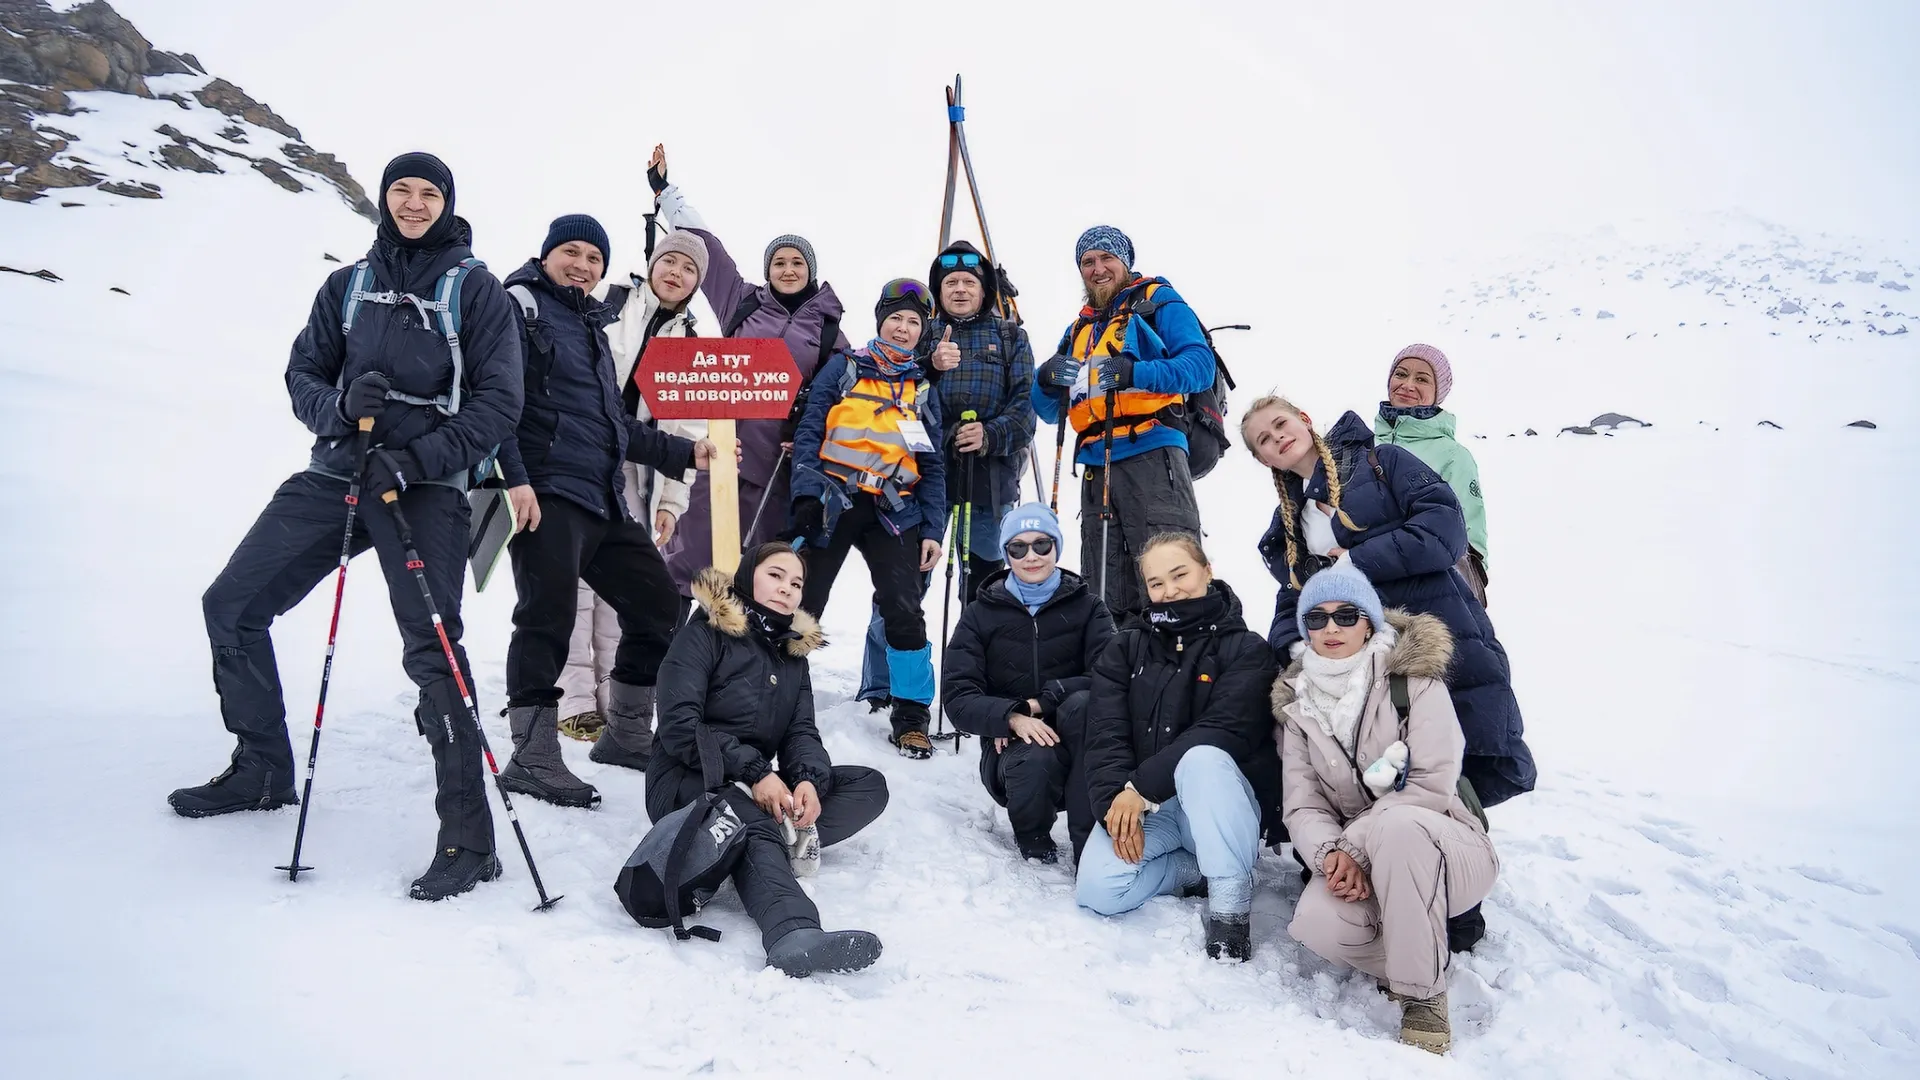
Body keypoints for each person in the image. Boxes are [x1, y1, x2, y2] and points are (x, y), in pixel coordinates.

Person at [172, 152, 523, 902]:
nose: (415, 202)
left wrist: (420, 458)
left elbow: (499, 403)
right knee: (231, 604)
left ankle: (469, 839)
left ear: (448, 202)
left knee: (435, 653)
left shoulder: (478, 290)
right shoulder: (348, 285)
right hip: (339, 470)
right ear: (384, 198)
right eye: (403, 189)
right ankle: (263, 766)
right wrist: (338, 408)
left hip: (424, 486)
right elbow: (303, 373)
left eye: (430, 192)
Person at [1243, 395, 1534, 954]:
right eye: (1262, 439)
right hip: (1354, 665)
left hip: (1433, 639)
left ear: (1305, 420)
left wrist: (1356, 562)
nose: (1276, 438)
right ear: (1264, 460)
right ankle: (1365, 868)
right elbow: (1293, 603)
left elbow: (1444, 531)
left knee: (1448, 766)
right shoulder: (1290, 524)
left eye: (1280, 424)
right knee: (1365, 769)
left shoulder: (1384, 464)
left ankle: (1454, 896)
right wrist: (1296, 650)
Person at [494, 214, 722, 808]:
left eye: (593, 258)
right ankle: (532, 755)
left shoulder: (588, 325)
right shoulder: (519, 307)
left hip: (604, 494)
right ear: (546, 254)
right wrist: (514, 480)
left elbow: (613, 426)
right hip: (546, 487)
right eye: (570, 252)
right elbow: (494, 399)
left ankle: (624, 733)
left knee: (655, 605)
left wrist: (683, 453)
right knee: (546, 615)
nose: (583, 265)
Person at [1274, 559, 1498, 1054]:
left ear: (1370, 622)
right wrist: (1330, 854)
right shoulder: (1298, 706)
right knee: (1313, 923)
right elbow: (1302, 804)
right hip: (1362, 864)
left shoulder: (1413, 681)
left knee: (1397, 823)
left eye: (1346, 615)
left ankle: (1423, 996)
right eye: (1317, 618)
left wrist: (1353, 845)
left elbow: (1433, 783)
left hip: (1445, 848)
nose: (1331, 628)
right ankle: (1417, 948)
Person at [647, 546, 890, 976]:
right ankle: (792, 934)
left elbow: (801, 732)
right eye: (776, 575)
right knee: (750, 822)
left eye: (796, 583)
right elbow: (679, 725)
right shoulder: (704, 632)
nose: (786, 589)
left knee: (867, 785)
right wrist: (758, 774)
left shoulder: (792, 654)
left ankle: (755, 847)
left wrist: (808, 782)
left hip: (751, 783)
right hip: (686, 779)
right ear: (747, 576)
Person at [647, 145, 851, 594]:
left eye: (797, 262)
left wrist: (810, 440)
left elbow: (841, 398)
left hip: (779, 467)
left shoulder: (830, 331)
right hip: (722, 454)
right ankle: (666, 656)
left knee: (759, 574)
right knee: (687, 563)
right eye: (779, 262)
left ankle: (749, 662)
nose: (788, 269)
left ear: (811, 271)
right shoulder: (743, 303)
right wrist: (666, 192)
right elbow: (708, 247)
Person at [1075, 533, 1280, 962]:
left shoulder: (1247, 648)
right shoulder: (1125, 648)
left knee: (1202, 759)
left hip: (1220, 804)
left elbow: (1226, 729)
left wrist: (1140, 788)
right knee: (1099, 889)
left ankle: (1229, 902)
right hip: (1154, 808)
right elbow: (1106, 735)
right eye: (1155, 583)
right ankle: (1196, 871)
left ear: (1207, 571)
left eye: (1180, 574)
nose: (1169, 590)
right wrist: (1116, 804)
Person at [856, 240, 1037, 710]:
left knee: (984, 590)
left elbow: (1026, 411)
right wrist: (931, 369)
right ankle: (879, 688)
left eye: (969, 283)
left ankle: (977, 687)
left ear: (984, 290)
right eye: (950, 282)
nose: (959, 289)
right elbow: (887, 383)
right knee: (902, 586)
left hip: (989, 482)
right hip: (917, 483)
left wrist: (990, 433)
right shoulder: (921, 332)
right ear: (939, 289)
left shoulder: (1012, 337)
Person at [555, 226, 709, 741]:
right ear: (653, 264)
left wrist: (672, 501)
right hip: (578, 456)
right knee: (574, 584)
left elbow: (688, 428)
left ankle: (609, 689)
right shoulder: (609, 301)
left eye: (689, 269)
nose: (677, 273)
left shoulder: (692, 341)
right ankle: (573, 696)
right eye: (670, 262)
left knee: (623, 587)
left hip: (638, 470)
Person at [791, 280, 947, 758]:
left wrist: (934, 530)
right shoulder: (844, 367)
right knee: (804, 602)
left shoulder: (921, 388)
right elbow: (811, 426)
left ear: (922, 333)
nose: (903, 328)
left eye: (913, 322)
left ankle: (911, 717)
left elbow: (934, 463)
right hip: (834, 503)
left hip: (894, 512)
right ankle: (776, 696)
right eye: (896, 318)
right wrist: (805, 496)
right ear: (880, 321)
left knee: (903, 607)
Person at [1030, 226, 1212, 619]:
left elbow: (1200, 368)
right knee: (1104, 588)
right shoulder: (1078, 330)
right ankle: (1118, 672)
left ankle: (1187, 668)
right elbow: (1047, 412)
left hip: (1154, 454)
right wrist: (1044, 379)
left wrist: (1135, 374)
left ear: (1125, 262)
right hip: (1096, 467)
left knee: (1171, 574)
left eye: (1106, 258)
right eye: (1087, 262)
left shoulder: (1159, 303)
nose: (1098, 269)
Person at [942, 503, 1114, 863]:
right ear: (1005, 553)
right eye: (1017, 548)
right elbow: (958, 696)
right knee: (1035, 756)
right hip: (1013, 751)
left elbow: (1110, 674)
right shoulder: (980, 613)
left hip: (1081, 736)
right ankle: (1033, 837)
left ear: (1057, 547)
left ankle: (1091, 849)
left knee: (1083, 705)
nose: (1030, 556)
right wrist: (1008, 717)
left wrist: (1041, 702)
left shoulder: (1089, 607)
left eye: (1041, 545)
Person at [1373, 344, 1490, 607]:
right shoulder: (1363, 445)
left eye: (1422, 379)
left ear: (1438, 392)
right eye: (1401, 374)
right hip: (1364, 583)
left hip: (1425, 588)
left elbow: (1470, 538)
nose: (1407, 384)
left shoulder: (1452, 455)